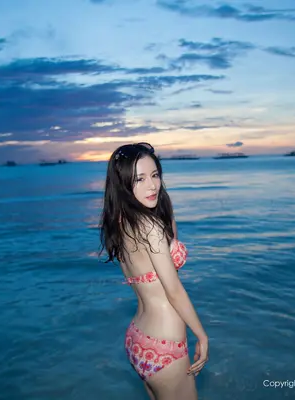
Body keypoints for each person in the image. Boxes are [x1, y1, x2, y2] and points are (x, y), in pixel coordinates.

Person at [99, 142, 209, 400]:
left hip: (137, 339)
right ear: (124, 183)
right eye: (140, 179)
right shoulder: (150, 228)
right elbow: (174, 290)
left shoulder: (120, 223)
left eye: (155, 175)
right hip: (164, 346)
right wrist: (201, 335)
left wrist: (166, 213)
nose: (152, 186)